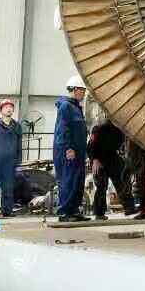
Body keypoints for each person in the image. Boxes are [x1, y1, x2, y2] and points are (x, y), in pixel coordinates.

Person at [54, 76, 90, 222]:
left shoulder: (76, 107)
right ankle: (64, 213)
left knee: (77, 181)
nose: (84, 94)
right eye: (82, 91)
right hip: (68, 152)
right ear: (75, 90)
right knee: (68, 181)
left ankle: (74, 211)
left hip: (78, 152)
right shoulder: (66, 106)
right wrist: (68, 148)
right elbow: (63, 129)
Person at [88, 118, 135, 220]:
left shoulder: (120, 130)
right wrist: (94, 159)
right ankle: (99, 212)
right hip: (100, 160)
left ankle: (129, 207)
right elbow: (91, 146)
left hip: (112, 158)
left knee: (121, 182)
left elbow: (120, 147)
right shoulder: (100, 129)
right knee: (102, 186)